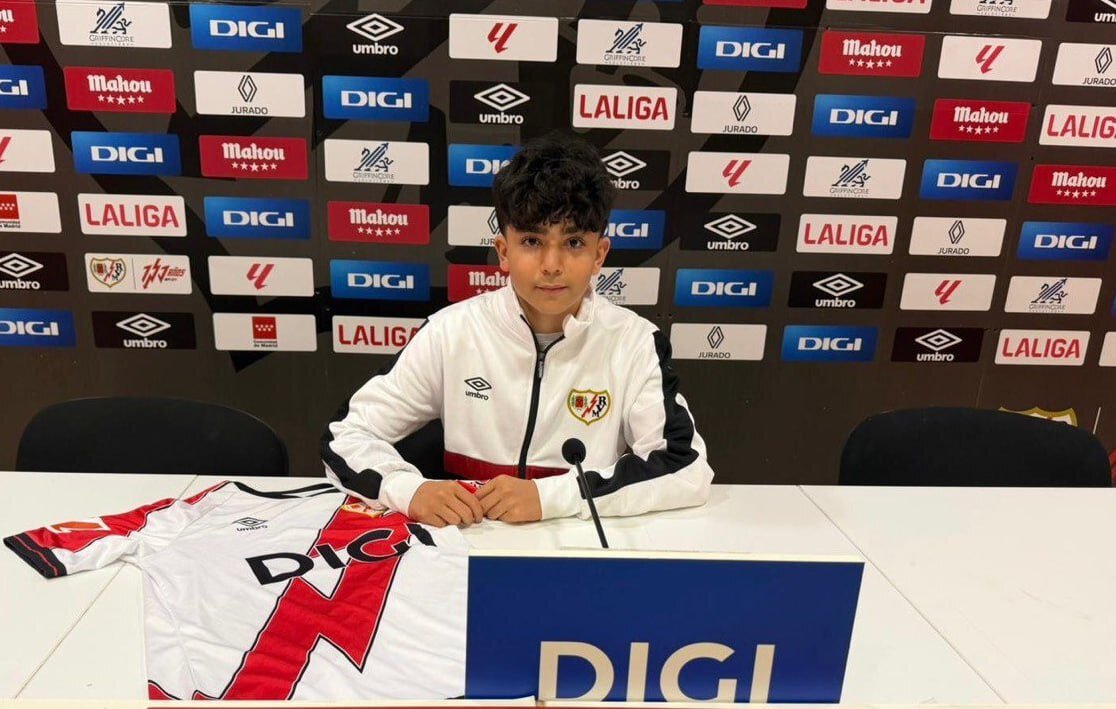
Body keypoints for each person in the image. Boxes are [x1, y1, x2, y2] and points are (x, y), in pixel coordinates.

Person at [321, 132, 714, 527]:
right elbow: (346, 435)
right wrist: (409, 489)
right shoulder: (450, 332)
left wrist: (553, 496)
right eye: (531, 241)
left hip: (577, 543)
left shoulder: (634, 342)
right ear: (503, 251)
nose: (552, 265)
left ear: (600, 254)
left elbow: (686, 468)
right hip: (469, 542)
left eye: (574, 242)